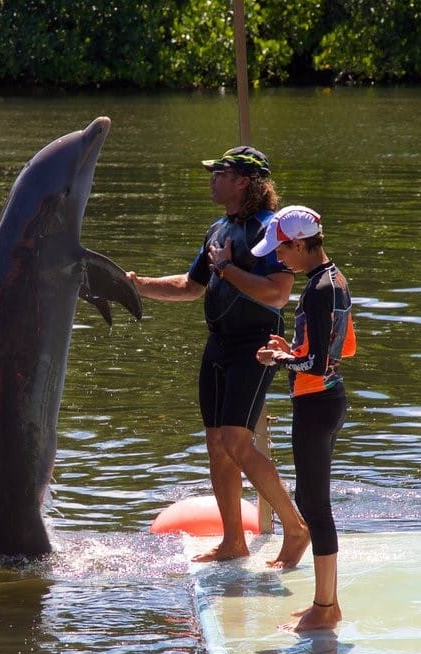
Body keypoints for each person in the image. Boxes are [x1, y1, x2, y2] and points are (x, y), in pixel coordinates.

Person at [127, 146, 311, 567]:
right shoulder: (218, 230)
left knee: (235, 440)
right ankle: (233, 541)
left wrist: (228, 269)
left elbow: (278, 294)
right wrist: (136, 284)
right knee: (216, 444)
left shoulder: (272, 231)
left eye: (221, 173)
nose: (212, 178)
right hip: (218, 345)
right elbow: (191, 287)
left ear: (244, 181)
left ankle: (296, 528)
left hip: (256, 345)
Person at [252, 206, 357, 631]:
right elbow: (341, 349)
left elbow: (319, 364)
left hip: (317, 404)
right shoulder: (332, 280)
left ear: (299, 243)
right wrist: (293, 348)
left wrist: (280, 360)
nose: (278, 259)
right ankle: (325, 603)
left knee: (315, 505)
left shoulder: (318, 289)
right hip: (325, 402)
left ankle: (326, 608)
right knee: (312, 501)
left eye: (281, 249)